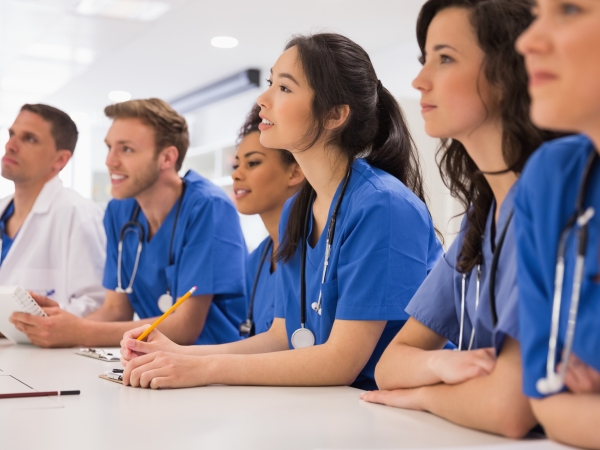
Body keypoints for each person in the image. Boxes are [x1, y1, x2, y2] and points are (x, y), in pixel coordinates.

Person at [118, 33, 442, 390]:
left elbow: (341, 362)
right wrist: (180, 354)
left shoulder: (383, 206)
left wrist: (205, 369)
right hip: (326, 405)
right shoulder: (296, 211)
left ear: (334, 115)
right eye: (271, 83)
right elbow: (280, 336)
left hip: (392, 413)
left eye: (284, 88)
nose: (263, 98)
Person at [361, 0, 556, 438]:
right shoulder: (480, 218)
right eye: (424, 59)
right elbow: (392, 364)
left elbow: (508, 408)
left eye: (445, 58)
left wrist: (425, 395)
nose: (419, 80)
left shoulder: (551, 203)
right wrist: (442, 363)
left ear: (508, 75)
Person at [10, 99, 247, 348]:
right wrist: (56, 326)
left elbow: (185, 326)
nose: (110, 161)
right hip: (155, 362)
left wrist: (78, 332)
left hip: (214, 367)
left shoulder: (207, 206)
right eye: (110, 147)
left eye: (126, 149)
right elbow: (115, 310)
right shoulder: (120, 211)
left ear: (167, 157)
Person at [513, 1, 600, 448]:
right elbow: (546, 397)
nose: (527, 41)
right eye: (536, 12)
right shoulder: (552, 182)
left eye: (569, 10)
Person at [0, 104, 105, 317]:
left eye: (29, 139)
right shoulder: (3, 208)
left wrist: (21, 319)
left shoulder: (78, 214)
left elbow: (98, 306)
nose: (10, 145)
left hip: (46, 350)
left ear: (60, 160)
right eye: (12, 134)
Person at [233, 104, 304, 337]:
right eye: (236, 164)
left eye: (252, 163)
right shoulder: (256, 261)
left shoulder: (314, 250)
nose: (236, 174)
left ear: (295, 172)